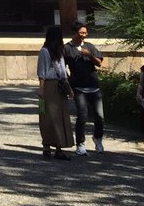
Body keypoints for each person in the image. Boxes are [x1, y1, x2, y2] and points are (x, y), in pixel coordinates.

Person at [64, 19, 105, 156]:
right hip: (78, 87)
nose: (84, 35)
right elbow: (62, 67)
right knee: (82, 116)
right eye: (81, 33)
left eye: (85, 33)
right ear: (74, 33)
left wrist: (89, 55)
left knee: (100, 116)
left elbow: (99, 63)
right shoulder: (67, 48)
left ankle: (98, 139)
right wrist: (67, 83)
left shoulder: (89, 46)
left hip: (93, 85)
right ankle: (80, 144)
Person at [37, 24, 74, 159]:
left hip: (60, 85)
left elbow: (63, 71)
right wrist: (41, 89)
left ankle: (59, 146)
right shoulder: (45, 51)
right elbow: (42, 71)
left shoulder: (59, 53)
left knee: (61, 116)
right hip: (49, 85)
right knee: (47, 116)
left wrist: (68, 87)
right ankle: (46, 145)